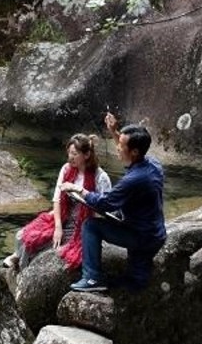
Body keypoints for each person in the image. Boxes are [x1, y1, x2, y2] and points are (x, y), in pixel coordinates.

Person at [69, 112, 166, 292]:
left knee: (90, 226)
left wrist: (79, 190)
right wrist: (114, 131)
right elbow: (129, 150)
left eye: (120, 145)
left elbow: (105, 202)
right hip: (153, 232)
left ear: (135, 152)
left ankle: (92, 278)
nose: (117, 148)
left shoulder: (135, 179)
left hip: (142, 236)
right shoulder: (153, 164)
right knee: (136, 283)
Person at [3, 133, 112, 272]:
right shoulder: (66, 169)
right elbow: (57, 199)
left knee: (50, 248)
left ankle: (21, 266)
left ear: (86, 155)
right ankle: (17, 257)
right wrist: (58, 228)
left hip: (84, 224)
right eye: (69, 153)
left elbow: (106, 208)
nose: (70, 157)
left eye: (74, 154)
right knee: (24, 235)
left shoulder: (100, 177)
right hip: (64, 217)